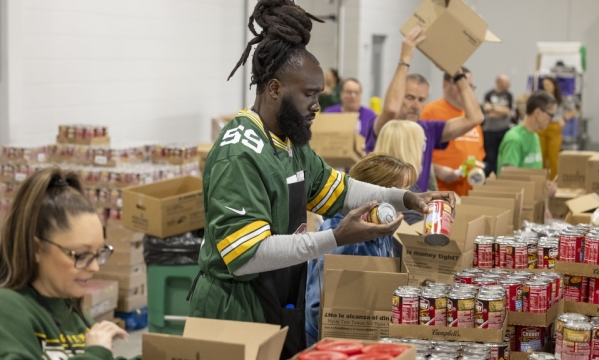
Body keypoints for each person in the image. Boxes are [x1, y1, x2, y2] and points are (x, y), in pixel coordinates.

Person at [186, 2, 455, 359]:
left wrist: (405, 198)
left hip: (276, 301)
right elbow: (245, 256)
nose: (317, 104)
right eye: (309, 94)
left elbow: (341, 190)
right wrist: (335, 237)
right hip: (235, 310)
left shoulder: (290, 144)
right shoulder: (240, 153)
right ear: (275, 88)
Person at [0, 167, 138, 360]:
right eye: (80, 255)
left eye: (99, 253)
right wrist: (95, 354)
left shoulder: (71, 309)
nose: (94, 267)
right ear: (35, 248)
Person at [305, 154, 417, 346]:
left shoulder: (380, 230)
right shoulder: (346, 239)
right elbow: (317, 309)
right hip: (336, 347)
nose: (404, 206)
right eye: (400, 197)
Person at [373, 27, 485, 193]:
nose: (415, 105)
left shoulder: (429, 129)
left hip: (416, 210)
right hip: (384, 209)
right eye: (409, 97)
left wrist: (457, 72)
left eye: (421, 100)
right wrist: (405, 59)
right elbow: (390, 109)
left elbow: (475, 118)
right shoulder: (386, 126)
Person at [420, 66, 485, 196]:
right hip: (441, 192)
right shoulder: (429, 112)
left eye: (469, 87)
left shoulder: (471, 117)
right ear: (446, 85)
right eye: (460, 85)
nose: (465, 90)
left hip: (468, 192)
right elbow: (415, 154)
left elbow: (479, 152)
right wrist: (436, 169)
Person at [498, 90, 557, 174]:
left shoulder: (535, 136)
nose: (551, 120)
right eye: (551, 115)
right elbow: (508, 177)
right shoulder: (514, 139)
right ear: (538, 113)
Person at [538, 76, 578, 180]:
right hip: (541, 128)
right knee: (541, 155)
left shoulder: (561, 99)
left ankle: (553, 179)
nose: (546, 87)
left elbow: (574, 110)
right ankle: (540, 179)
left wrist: (564, 119)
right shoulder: (539, 98)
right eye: (544, 85)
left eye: (548, 85)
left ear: (554, 85)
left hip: (554, 126)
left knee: (553, 156)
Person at [324, 78, 378, 153]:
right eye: (349, 92)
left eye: (356, 92)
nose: (353, 96)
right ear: (341, 94)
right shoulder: (330, 114)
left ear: (360, 95)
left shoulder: (371, 116)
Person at [483, 74, 514, 176]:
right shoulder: (489, 95)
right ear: (498, 82)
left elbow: (507, 111)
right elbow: (489, 114)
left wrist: (492, 107)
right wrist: (500, 110)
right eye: (506, 82)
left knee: (503, 155)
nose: (509, 85)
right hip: (491, 131)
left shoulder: (509, 95)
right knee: (491, 157)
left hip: (504, 130)